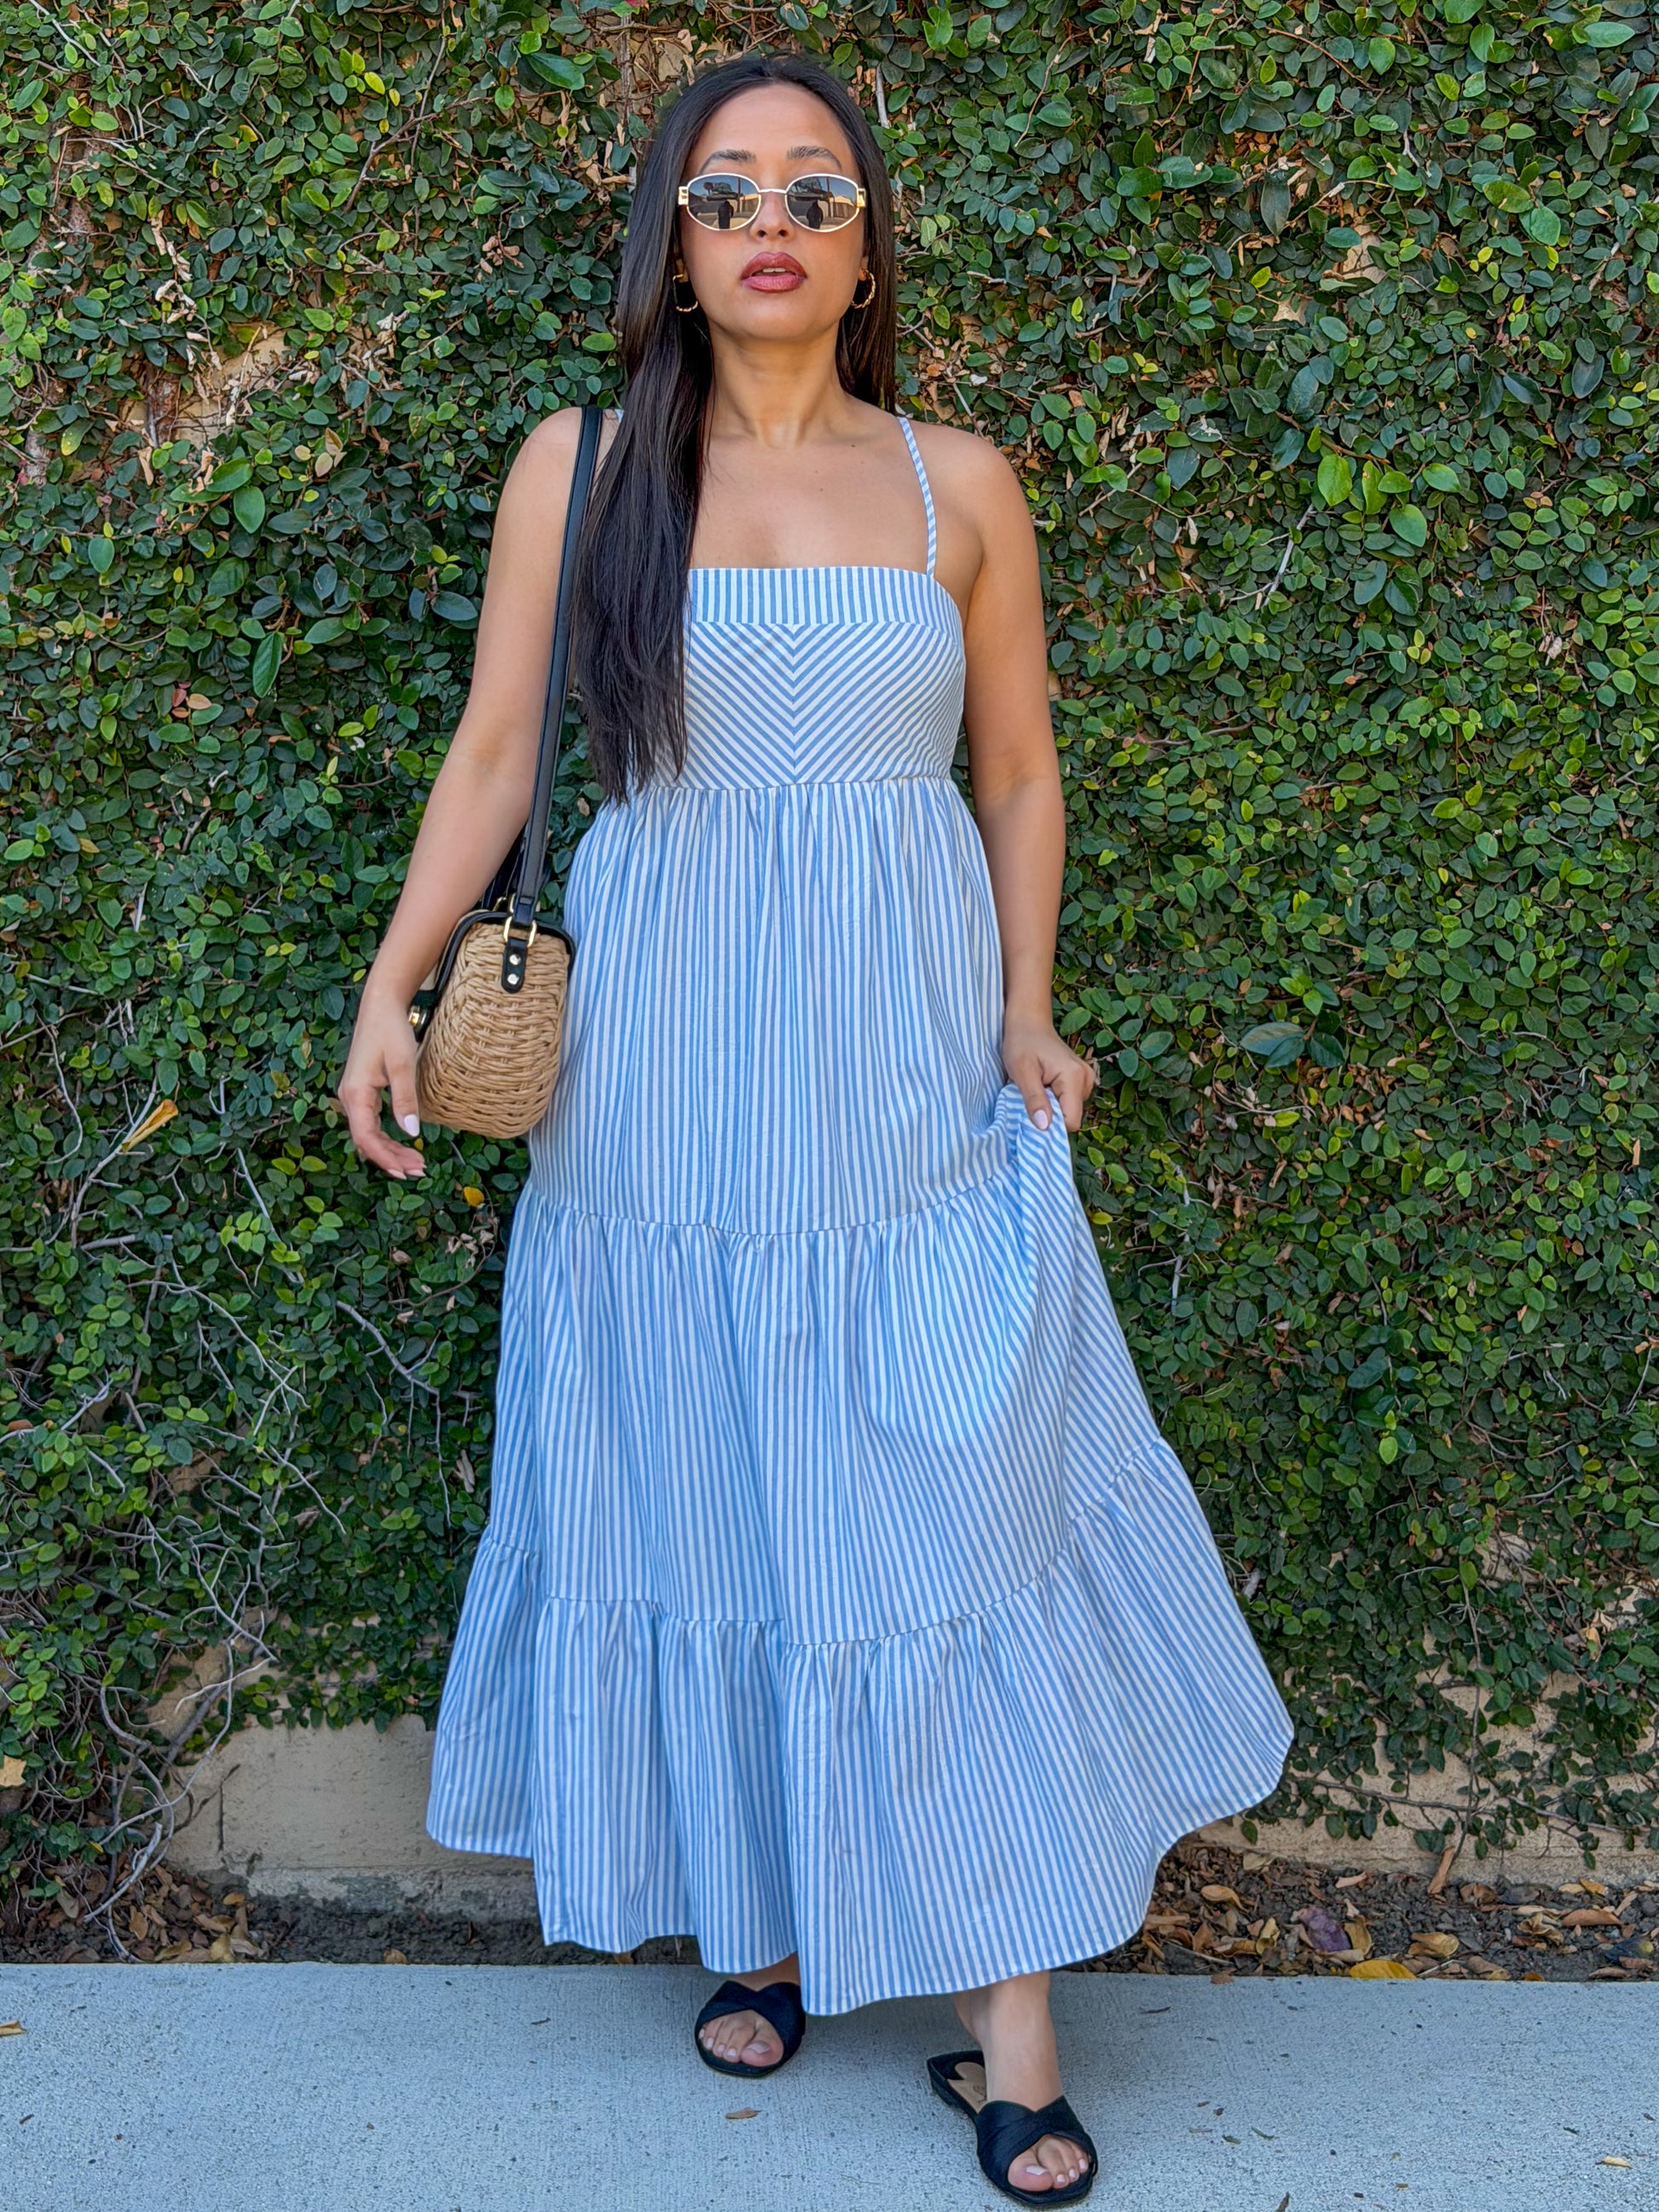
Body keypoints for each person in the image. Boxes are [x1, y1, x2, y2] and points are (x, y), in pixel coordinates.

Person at [338, 45, 1295, 2208]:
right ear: (670, 244)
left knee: (931, 1496)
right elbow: (497, 755)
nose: (769, 221)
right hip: (663, 1073)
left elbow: (1018, 772)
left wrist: (1027, 1011)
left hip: (900, 1061)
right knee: (703, 1472)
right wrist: (392, 984)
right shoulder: (583, 468)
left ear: (867, 251)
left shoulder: (960, 485)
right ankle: (758, 1920)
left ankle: (1008, 2024)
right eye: (725, 191)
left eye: (815, 191)